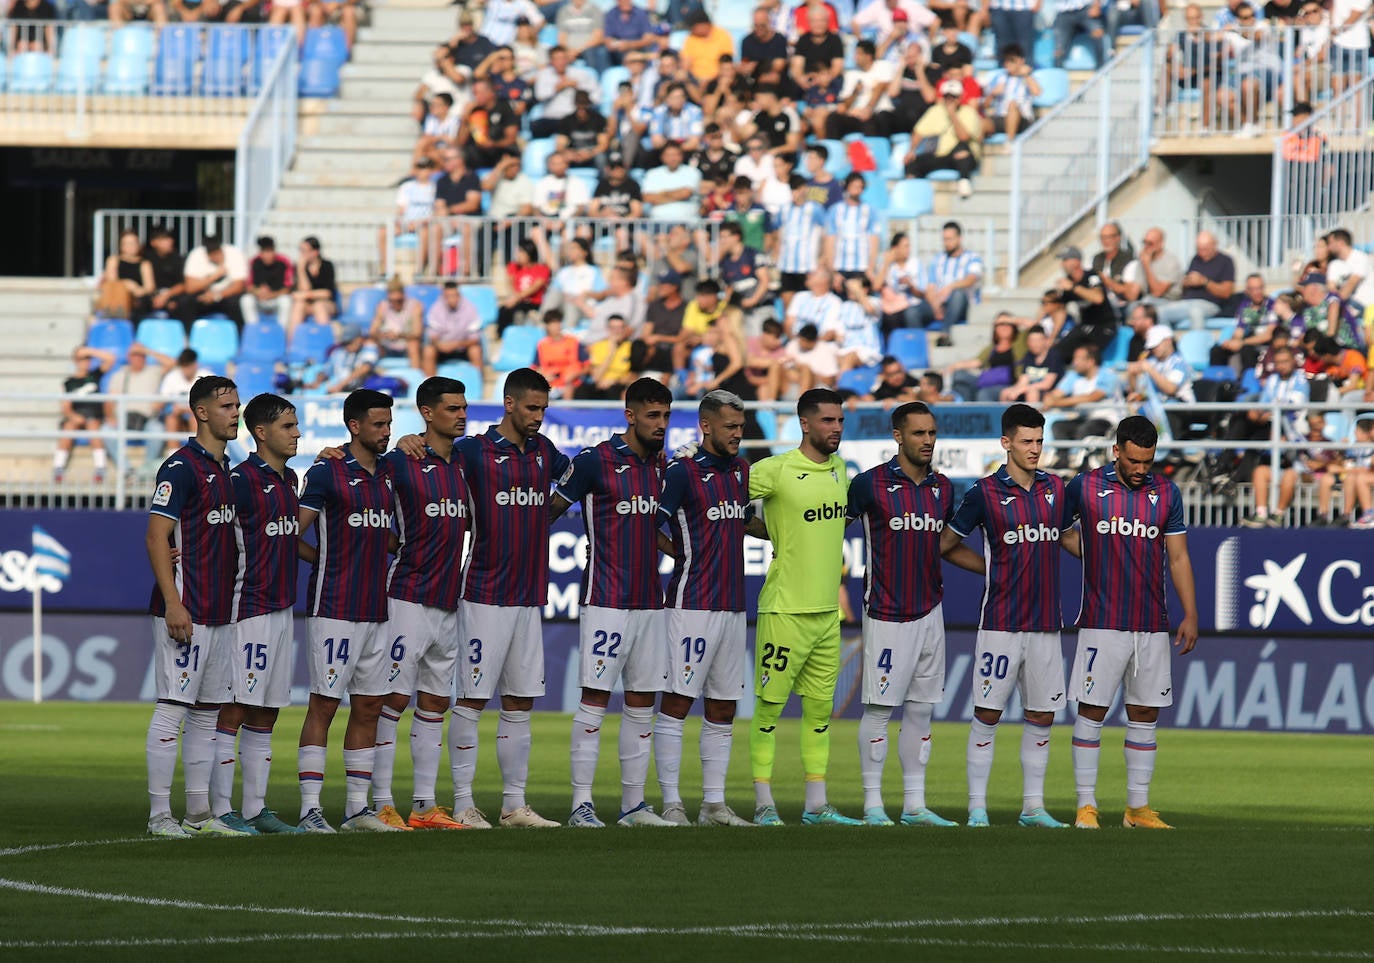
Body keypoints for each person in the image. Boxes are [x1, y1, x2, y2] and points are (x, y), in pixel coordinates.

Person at [442, 368, 571, 828]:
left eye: (544, 408)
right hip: (483, 593)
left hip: (529, 595)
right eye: (532, 407)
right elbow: (430, 461)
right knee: (472, 699)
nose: (539, 417)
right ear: (510, 404)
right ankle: (462, 802)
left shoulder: (544, 452)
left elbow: (582, 476)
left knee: (519, 701)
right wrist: (407, 443)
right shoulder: (473, 451)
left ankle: (514, 806)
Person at [845, 401, 983, 826]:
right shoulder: (868, 485)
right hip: (886, 611)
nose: (928, 440)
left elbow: (945, 544)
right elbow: (832, 529)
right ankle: (872, 805)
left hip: (931, 611)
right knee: (879, 709)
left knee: (922, 710)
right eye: (919, 433)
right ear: (898, 436)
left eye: (932, 433)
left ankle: (914, 806)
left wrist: (993, 568)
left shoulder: (943, 487)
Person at [549, 379, 675, 828]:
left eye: (666, 415)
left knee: (643, 702)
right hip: (605, 598)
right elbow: (543, 512)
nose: (661, 424)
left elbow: (655, 529)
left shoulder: (664, 465)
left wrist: (679, 552)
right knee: (595, 699)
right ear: (631, 416)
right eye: (653, 416)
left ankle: (633, 806)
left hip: (650, 602)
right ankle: (581, 804)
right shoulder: (593, 462)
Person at [943, 404, 1073, 828]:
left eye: (1039, 441)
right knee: (988, 713)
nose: (1035, 449)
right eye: (1026, 442)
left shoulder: (1056, 488)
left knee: (1041, 715)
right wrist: (989, 564)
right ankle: (977, 808)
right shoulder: (984, 492)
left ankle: (1032, 808)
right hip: (1000, 622)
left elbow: (1070, 538)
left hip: (1046, 625)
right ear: (1006, 443)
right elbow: (945, 543)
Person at [1065, 416, 1198, 830]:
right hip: (1101, 621)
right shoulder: (1084, 487)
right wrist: (1095, 554)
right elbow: (1054, 531)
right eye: (1135, 461)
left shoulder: (1166, 492)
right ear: (1117, 451)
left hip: (1151, 622)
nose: (1142, 470)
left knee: (1145, 713)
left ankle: (1137, 810)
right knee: (1092, 711)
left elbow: (1177, 556)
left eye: (1149, 461)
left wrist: (1190, 613)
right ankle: (1086, 806)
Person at [747, 388, 862, 826]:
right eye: (828, 421)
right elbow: (724, 500)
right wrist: (769, 531)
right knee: (769, 710)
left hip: (826, 616)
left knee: (819, 713)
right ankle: (763, 804)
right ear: (806, 424)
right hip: (784, 611)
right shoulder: (774, 470)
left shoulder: (840, 470)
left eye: (840, 421)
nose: (836, 428)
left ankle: (816, 805)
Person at [364, 377, 474, 831]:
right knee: (391, 698)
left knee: (434, 703)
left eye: (464, 407)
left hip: (450, 601)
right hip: (406, 595)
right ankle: (380, 802)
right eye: (452, 408)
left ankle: (424, 806)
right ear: (427, 413)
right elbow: (358, 479)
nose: (462, 415)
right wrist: (330, 454)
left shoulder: (468, 464)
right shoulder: (401, 462)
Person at [295, 389, 403, 833]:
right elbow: (288, 532)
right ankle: (309, 809)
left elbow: (381, 532)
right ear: (354, 426)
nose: (387, 431)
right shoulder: (327, 470)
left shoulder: (391, 472)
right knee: (324, 705)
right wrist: (321, 560)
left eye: (389, 424)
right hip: (334, 607)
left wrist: (395, 546)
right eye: (378, 424)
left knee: (369, 707)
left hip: (377, 609)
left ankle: (357, 809)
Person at [649, 390, 756, 826]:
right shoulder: (682, 472)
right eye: (730, 426)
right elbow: (651, 526)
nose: (737, 434)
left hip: (732, 605)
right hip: (691, 603)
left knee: (724, 706)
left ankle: (714, 805)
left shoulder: (743, 472)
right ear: (706, 426)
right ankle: (672, 802)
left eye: (741, 428)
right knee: (677, 700)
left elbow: (746, 521)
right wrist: (682, 555)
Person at [143, 374, 244, 838]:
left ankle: (199, 815)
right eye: (226, 406)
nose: (234, 413)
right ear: (201, 412)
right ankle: (160, 815)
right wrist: (173, 603)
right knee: (172, 708)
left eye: (237, 405)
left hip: (220, 612)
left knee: (207, 714)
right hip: (187, 608)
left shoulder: (225, 468)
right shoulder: (180, 467)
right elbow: (156, 536)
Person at [217, 393, 307, 835]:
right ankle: (218, 810)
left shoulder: (290, 480)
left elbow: (290, 540)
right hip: (246, 606)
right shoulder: (238, 481)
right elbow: (203, 528)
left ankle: (255, 809)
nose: (297, 434)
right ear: (262, 432)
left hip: (281, 606)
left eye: (296, 425)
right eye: (289, 427)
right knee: (234, 707)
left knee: (267, 711)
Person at [905, 79, 983, 199]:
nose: (950, 100)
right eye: (947, 96)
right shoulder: (935, 111)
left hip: (961, 156)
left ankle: (964, 180)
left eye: (954, 96)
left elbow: (964, 137)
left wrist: (952, 115)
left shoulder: (969, 113)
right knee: (912, 162)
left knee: (962, 149)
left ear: (960, 97)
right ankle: (912, 191)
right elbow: (918, 132)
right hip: (941, 154)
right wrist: (912, 150)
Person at [55, 347, 116, 485]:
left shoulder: (94, 375)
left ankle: (100, 467)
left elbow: (110, 359)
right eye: (82, 359)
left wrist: (89, 351)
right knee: (69, 427)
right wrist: (73, 416)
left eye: (87, 359)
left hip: (94, 416)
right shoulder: (69, 382)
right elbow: (66, 406)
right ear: (75, 361)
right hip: (77, 415)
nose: (86, 362)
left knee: (92, 426)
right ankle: (58, 467)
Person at [181, 234, 249, 331]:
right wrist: (214, 277)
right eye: (211, 254)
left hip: (226, 295)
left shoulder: (234, 253)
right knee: (186, 303)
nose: (215, 257)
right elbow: (189, 288)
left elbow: (238, 286)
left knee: (236, 304)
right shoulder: (196, 255)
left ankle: (239, 338)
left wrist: (217, 295)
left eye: (217, 253)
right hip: (204, 295)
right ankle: (188, 337)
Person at [423, 281, 485, 376]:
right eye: (448, 296)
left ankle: (477, 384)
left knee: (475, 351)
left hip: (463, 348)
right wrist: (440, 345)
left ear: (459, 295)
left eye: (454, 296)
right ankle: (430, 385)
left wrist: (456, 344)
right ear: (444, 296)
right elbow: (433, 336)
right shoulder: (436, 309)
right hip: (441, 349)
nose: (452, 299)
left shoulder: (470, 309)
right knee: (429, 351)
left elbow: (475, 339)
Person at [287, 237, 338, 338]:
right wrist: (301, 270)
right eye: (300, 250)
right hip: (307, 304)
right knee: (298, 306)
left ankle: (324, 342)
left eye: (304, 251)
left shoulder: (327, 266)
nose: (302, 254)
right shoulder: (298, 268)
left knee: (319, 306)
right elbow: (304, 289)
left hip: (326, 304)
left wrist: (306, 295)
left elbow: (327, 293)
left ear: (315, 252)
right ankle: (292, 344)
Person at [370, 278, 425, 370]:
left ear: (404, 295)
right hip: (387, 344)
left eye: (399, 301)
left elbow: (418, 333)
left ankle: (416, 377)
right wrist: (384, 335)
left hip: (406, 344)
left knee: (414, 345)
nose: (395, 304)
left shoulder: (415, 306)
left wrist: (400, 336)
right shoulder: (382, 306)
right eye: (392, 301)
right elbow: (372, 332)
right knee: (371, 343)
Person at [103, 229, 155, 319]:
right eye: (127, 243)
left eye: (133, 243)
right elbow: (111, 280)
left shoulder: (144, 263)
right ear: (121, 246)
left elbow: (149, 287)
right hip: (118, 295)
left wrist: (138, 291)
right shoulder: (114, 260)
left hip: (138, 297)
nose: (131, 246)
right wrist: (127, 284)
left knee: (141, 302)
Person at [534, 310, 586, 397]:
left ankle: (567, 410)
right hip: (550, 384)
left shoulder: (574, 342)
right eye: (552, 323)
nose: (556, 326)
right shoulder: (541, 345)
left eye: (558, 322)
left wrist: (576, 374)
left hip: (571, 383)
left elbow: (587, 367)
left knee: (568, 389)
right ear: (547, 326)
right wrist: (543, 376)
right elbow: (534, 368)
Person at [245, 236, 294, 324]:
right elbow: (248, 286)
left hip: (276, 298)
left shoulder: (284, 262)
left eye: (269, 251)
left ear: (274, 251)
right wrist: (258, 291)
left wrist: (271, 295)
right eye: (264, 252)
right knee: (246, 300)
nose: (267, 255)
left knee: (286, 301)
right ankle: (253, 328)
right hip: (259, 299)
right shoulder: (254, 262)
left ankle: (281, 331)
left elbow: (288, 288)